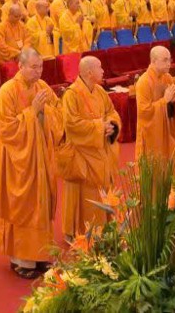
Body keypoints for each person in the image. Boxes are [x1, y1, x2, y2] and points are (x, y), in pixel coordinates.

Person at [0, 48, 64, 280]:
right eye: (34, 67)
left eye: (40, 66)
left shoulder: (42, 87)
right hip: (19, 160)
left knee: (42, 203)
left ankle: (40, 254)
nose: (38, 71)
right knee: (24, 206)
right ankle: (21, 259)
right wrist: (32, 112)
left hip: (41, 156)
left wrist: (45, 112)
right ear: (20, 66)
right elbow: (7, 129)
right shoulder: (7, 91)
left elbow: (58, 113)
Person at [60, 56, 120, 238]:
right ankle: (80, 230)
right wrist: (100, 127)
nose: (103, 71)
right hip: (82, 154)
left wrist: (111, 125)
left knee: (102, 189)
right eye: (99, 68)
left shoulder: (100, 91)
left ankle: (105, 227)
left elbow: (111, 112)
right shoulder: (71, 95)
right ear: (89, 72)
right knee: (85, 193)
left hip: (100, 150)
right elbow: (71, 124)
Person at [133, 45, 175, 162]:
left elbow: (174, 101)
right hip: (151, 133)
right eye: (165, 60)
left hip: (166, 128)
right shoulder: (144, 82)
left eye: (169, 60)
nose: (169, 63)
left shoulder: (167, 77)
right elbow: (144, 112)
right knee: (154, 163)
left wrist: (173, 101)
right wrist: (164, 101)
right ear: (153, 61)